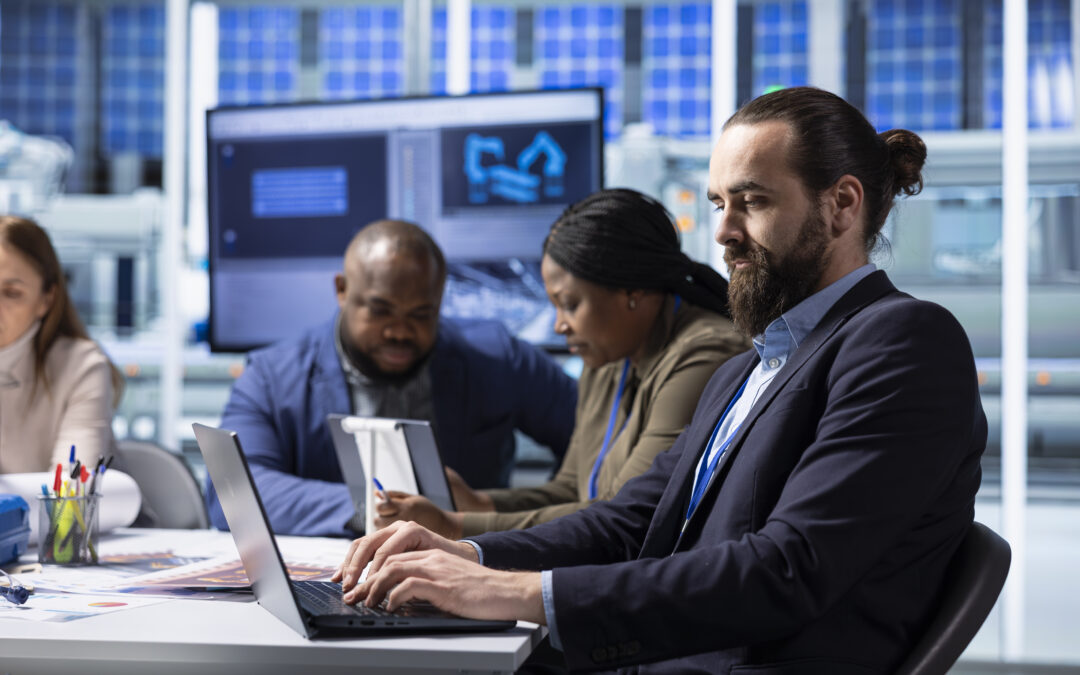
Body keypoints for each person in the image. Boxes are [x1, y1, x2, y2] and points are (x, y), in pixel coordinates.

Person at [334, 87, 987, 674]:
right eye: (718, 204)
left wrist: (518, 593)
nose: (724, 232)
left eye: (752, 202)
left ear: (842, 204)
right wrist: (469, 553)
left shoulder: (902, 342)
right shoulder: (747, 368)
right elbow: (631, 520)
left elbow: (788, 569)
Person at [374, 189, 748, 539]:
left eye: (569, 304)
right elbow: (572, 488)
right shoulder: (608, 354)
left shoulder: (704, 358)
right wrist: (480, 503)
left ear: (633, 291)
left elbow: (629, 515)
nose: (559, 325)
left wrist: (458, 526)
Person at [205, 219, 577, 537]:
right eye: (380, 311)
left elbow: (595, 447)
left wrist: (530, 527)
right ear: (342, 290)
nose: (399, 332)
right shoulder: (272, 376)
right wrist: (378, 508)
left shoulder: (497, 357)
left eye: (420, 314)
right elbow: (231, 494)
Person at [0, 216, 123, 473]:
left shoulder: (82, 367)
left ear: (47, 299)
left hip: (90, 514)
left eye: (12, 293)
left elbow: (70, 498)